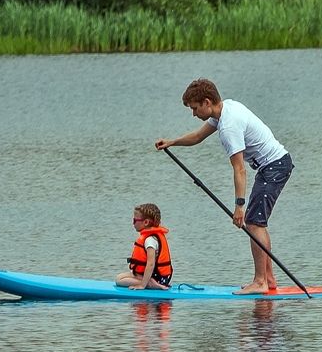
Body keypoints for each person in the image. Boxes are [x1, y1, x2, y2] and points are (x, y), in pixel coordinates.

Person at [155, 78, 293, 295]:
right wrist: (173, 142)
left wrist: (239, 206)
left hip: (274, 166)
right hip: (274, 165)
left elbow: (239, 169)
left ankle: (260, 281)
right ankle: (268, 279)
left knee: (254, 223)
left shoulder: (229, 126)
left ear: (207, 102)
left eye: (194, 108)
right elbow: (198, 136)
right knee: (257, 222)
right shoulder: (226, 108)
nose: (193, 114)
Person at [116, 203, 173, 290]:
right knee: (119, 277)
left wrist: (142, 285)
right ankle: (149, 282)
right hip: (154, 276)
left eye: (135, 220)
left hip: (158, 278)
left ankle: (151, 284)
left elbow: (150, 264)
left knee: (119, 281)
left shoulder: (150, 240)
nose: (133, 223)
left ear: (146, 222)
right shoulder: (151, 237)